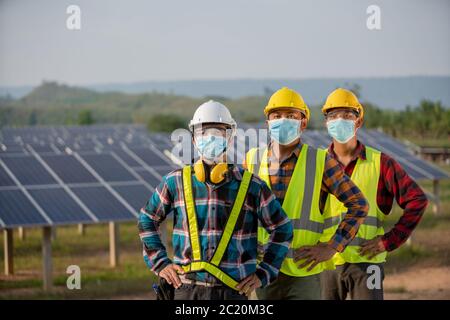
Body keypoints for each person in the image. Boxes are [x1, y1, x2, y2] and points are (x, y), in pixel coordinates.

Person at [138, 100, 293, 300]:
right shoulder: (175, 181)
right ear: (193, 138)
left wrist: (264, 273)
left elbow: (283, 228)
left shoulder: (253, 186)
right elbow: (147, 219)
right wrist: (160, 263)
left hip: (232, 292)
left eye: (218, 131)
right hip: (185, 290)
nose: (210, 137)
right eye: (203, 132)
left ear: (230, 137)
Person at [244, 87, 369, 300]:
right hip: (263, 271)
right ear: (267, 123)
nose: (283, 120)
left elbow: (359, 205)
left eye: (291, 116)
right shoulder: (251, 159)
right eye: (277, 116)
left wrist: (332, 247)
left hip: (305, 272)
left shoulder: (320, 161)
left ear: (303, 123)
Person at [319, 88, 428, 300]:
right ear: (326, 123)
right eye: (333, 115)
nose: (339, 120)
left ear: (358, 121)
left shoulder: (381, 163)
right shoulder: (316, 164)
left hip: (368, 260)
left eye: (347, 115)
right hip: (327, 261)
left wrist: (388, 241)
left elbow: (417, 200)